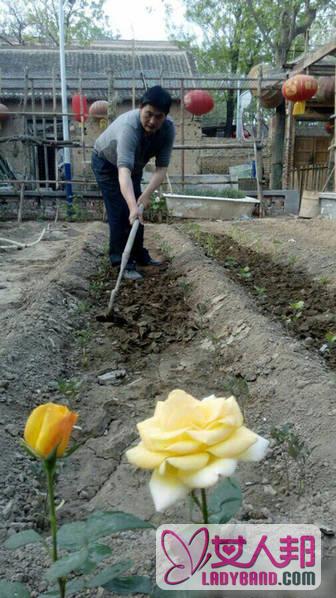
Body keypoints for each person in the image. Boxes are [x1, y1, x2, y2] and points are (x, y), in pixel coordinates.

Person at [91, 85, 175, 280]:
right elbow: (123, 171)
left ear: (165, 117)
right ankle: (121, 261)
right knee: (121, 211)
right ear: (140, 108)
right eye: (149, 114)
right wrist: (132, 205)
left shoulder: (168, 130)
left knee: (139, 209)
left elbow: (161, 168)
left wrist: (145, 197)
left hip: (133, 166)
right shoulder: (129, 128)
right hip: (107, 162)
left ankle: (139, 256)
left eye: (159, 116)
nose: (153, 121)